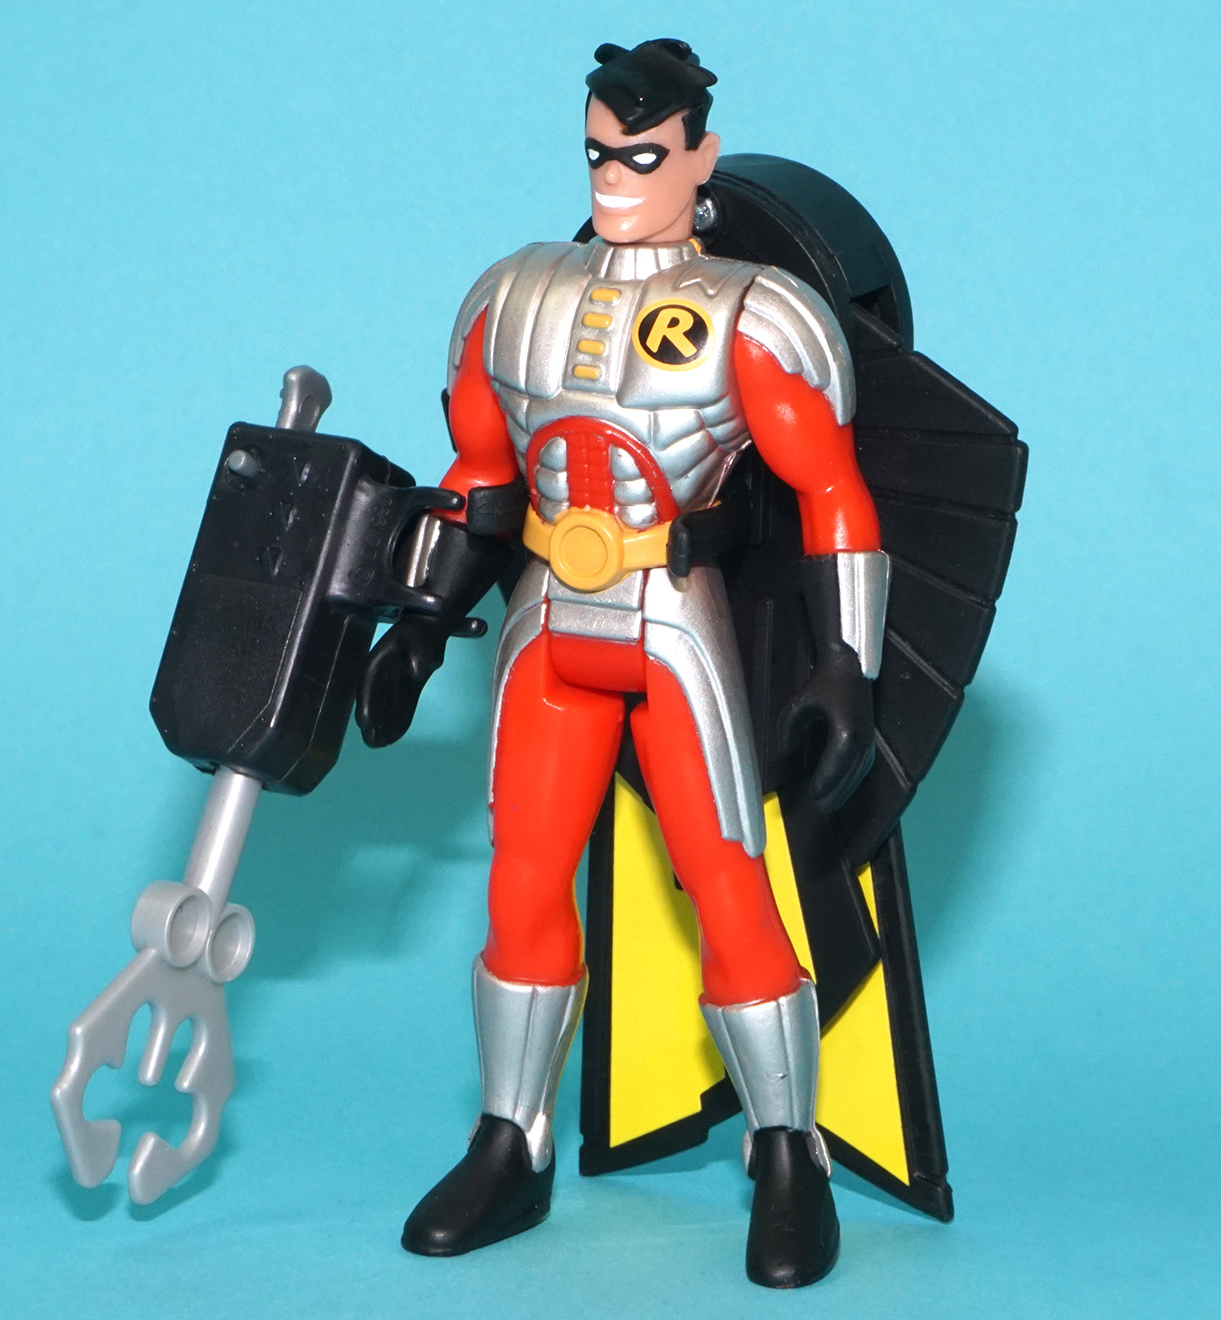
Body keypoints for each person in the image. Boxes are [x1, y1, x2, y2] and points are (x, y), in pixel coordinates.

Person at [356, 38, 889, 1289]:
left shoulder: (754, 313)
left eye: (643, 156)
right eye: (599, 153)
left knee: (726, 882)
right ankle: (511, 1137)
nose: (614, 176)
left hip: (670, 612)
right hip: (549, 612)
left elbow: (831, 493)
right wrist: (422, 623)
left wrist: (846, 663)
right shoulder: (515, 294)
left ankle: (787, 1148)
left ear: (700, 158)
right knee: (520, 879)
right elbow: (482, 479)